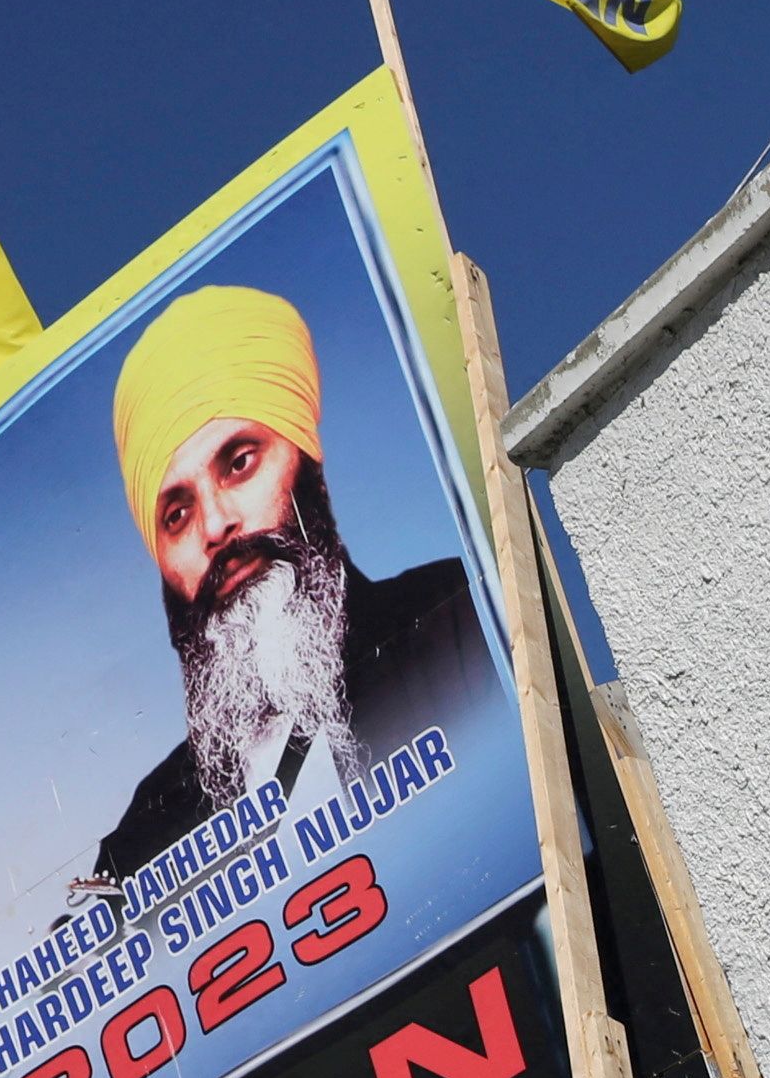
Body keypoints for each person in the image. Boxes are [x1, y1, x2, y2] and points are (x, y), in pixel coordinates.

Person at [90, 285, 502, 886]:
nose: (216, 527)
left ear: (309, 466)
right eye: (175, 515)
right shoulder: (150, 830)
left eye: (239, 463)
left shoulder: (461, 622)